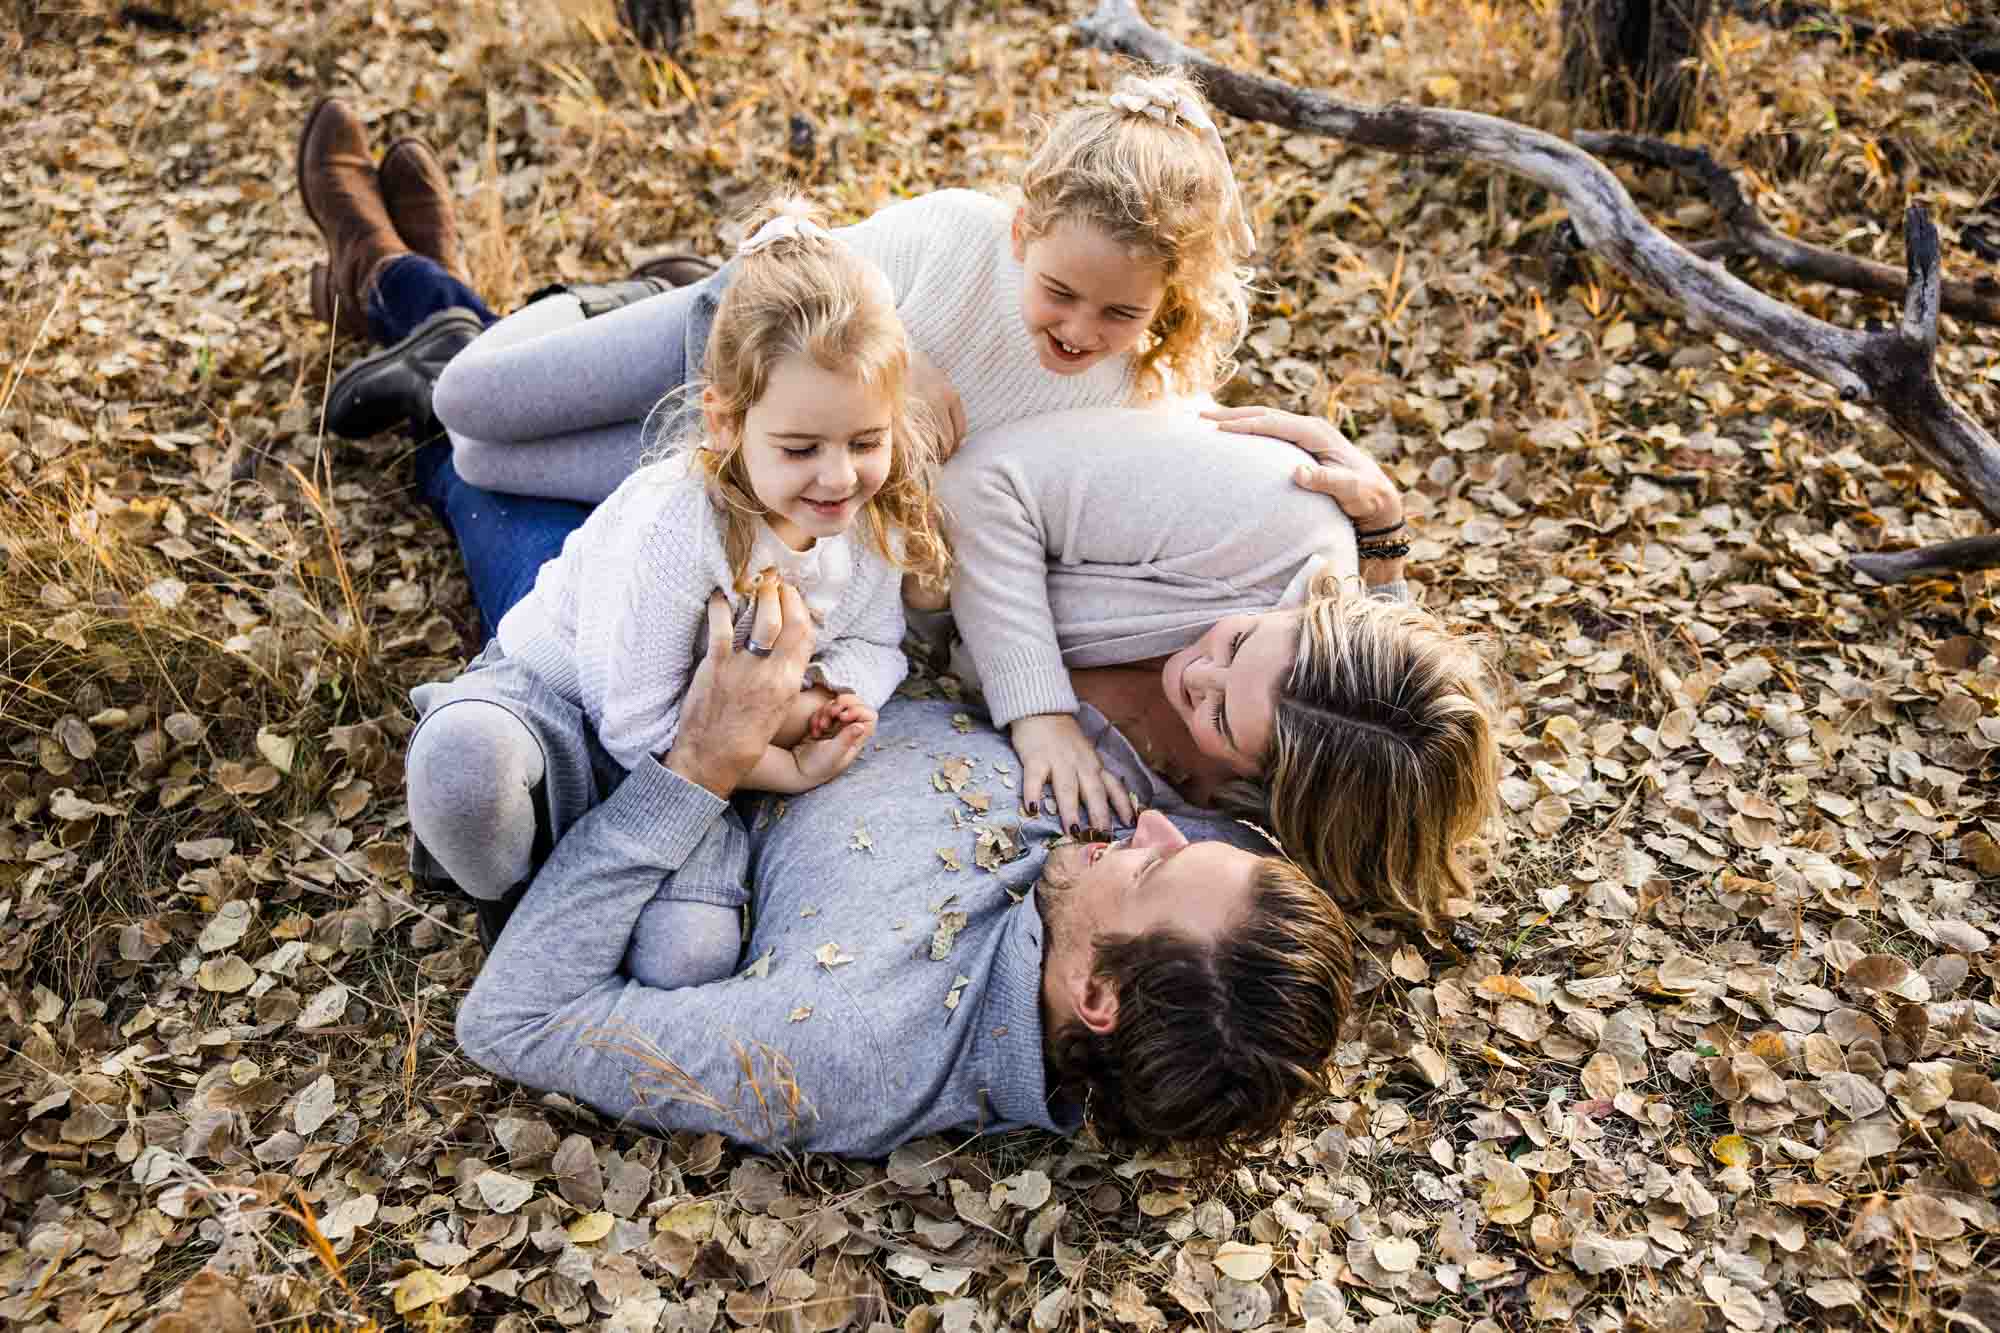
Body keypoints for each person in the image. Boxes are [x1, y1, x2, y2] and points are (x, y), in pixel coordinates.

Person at [454, 575, 1356, 1161]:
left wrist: (697, 763)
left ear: (1096, 994)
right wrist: (1381, 552)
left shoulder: (849, 1042)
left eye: (1156, 872)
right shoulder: (1223, 928)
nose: (1157, 822)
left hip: (638, 683)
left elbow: (514, 1021)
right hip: (850, 589)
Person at [404, 204, 951, 987]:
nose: (838, 477)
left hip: (710, 771)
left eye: (865, 442)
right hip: (566, 710)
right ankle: (511, 895)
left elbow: (875, 644)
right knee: (467, 774)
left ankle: (592, 887)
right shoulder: (679, 521)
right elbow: (631, 723)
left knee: (687, 959)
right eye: (801, 448)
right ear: (725, 423)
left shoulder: (861, 523)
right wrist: (784, 751)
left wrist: (832, 697)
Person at [303, 70, 1256, 506]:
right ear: (1023, 232)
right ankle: (578, 304)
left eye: (1121, 312)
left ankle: (416, 293)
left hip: (753, 460)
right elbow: (788, 238)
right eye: (1060, 291)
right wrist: (897, 352)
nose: (1081, 329)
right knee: (470, 396)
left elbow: (1205, 461)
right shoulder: (967, 234)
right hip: (727, 330)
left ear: (1170, 300)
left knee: (482, 462)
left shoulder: (1133, 396)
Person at [938, 404, 1501, 932]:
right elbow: (975, 482)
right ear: (1316, 609)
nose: (1196, 676)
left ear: (1269, 787)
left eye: (1223, 719)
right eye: (1240, 640)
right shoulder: (1273, 511)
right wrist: (1037, 711)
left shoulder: (1248, 817)